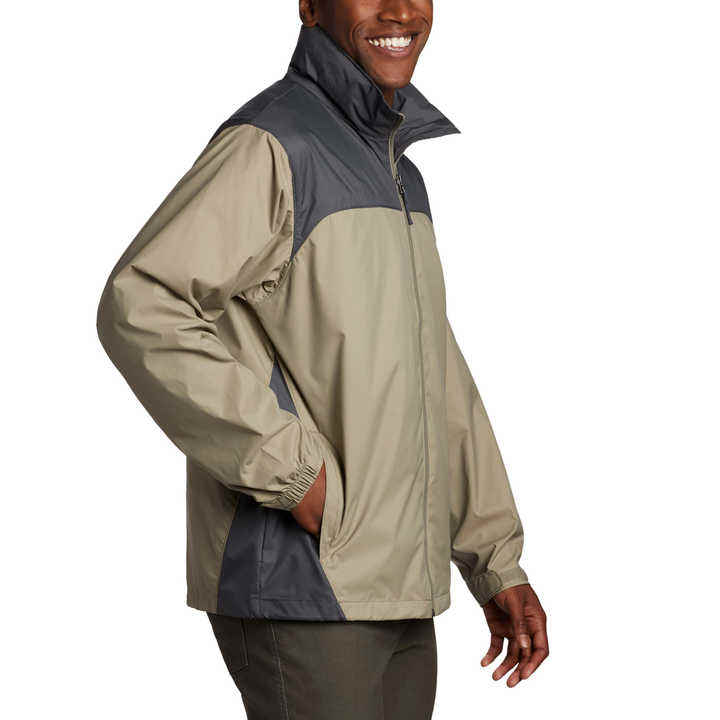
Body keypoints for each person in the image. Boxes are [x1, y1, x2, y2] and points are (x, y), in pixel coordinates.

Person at [96, 1, 549, 717]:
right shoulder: (274, 145)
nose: (400, 10)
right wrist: (293, 472)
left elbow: (436, 378)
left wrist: (495, 562)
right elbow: (143, 303)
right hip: (305, 583)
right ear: (309, 4)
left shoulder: (398, 173)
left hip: (399, 584)